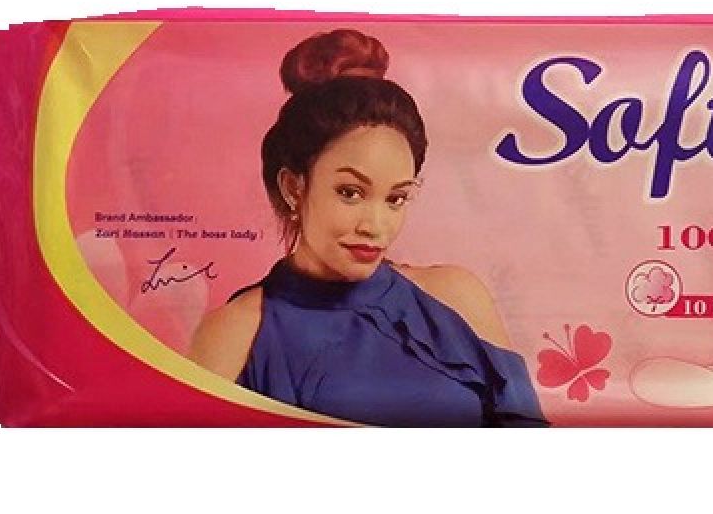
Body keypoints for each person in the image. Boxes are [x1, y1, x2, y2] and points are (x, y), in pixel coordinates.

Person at [189, 29, 547, 426]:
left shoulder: (455, 297)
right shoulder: (234, 336)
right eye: (350, 193)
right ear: (293, 187)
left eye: (396, 198)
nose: (375, 226)